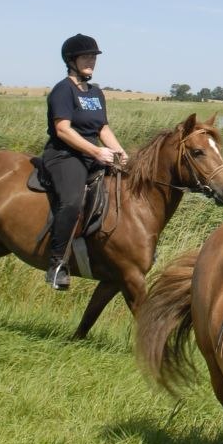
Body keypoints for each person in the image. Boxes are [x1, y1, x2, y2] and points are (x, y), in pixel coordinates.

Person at [42, 33, 127, 290]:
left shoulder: (95, 92)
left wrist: (120, 153)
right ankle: (57, 265)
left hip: (92, 153)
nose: (91, 61)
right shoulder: (62, 90)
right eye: (86, 57)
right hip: (65, 155)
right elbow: (63, 130)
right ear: (71, 60)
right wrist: (96, 152)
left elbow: (102, 128)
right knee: (72, 201)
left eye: (93, 57)